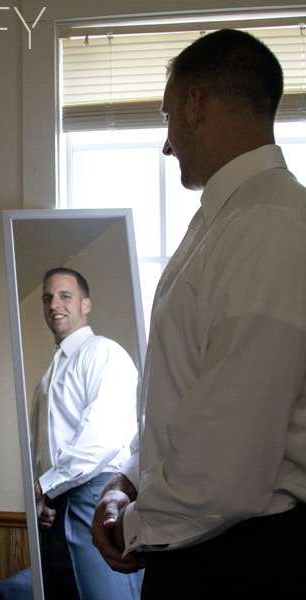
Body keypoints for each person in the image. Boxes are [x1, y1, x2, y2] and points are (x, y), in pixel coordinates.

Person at [90, 29, 306, 599]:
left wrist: (131, 526)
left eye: (167, 116)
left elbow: (229, 459)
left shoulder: (269, 227)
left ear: (195, 103)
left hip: (242, 563)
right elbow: (186, 396)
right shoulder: (222, 223)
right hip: (202, 544)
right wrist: (127, 481)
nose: (167, 144)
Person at [30, 267, 142, 600]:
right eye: (48, 297)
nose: (55, 304)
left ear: (86, 305)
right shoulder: (48, 377)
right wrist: (44, 496)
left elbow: (101, 440)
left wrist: (42, 486)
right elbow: (42, 447)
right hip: (55, 507)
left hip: (97, 494)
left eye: (65, 296)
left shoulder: (104, 353)